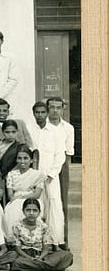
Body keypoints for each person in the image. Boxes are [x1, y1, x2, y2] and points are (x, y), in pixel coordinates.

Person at [29, 101, 67, 247]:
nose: (40, 115)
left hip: (51, 175)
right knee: (36, 204)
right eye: (37, 112)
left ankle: (55, 241)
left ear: (47, 113)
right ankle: (36, 241)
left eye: (42, 112)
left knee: (54, 205)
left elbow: (60, 156)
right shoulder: (29, 129)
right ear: (33, 113)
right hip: (34, 175)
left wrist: (51, 174)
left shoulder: (55, 132)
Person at [5, 199, 73, 271]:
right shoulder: (17, 226)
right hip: (23, 255)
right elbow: (17, 248)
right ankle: (47, 266)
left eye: (35, 210)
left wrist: (40, 258)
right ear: (23, 211)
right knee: (16, 260)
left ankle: (34, 266)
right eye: (28, 210)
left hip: (41, 255)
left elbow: (46, 249)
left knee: (67, 255)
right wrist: (30, 258)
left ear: (39, 212)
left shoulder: (43, 226)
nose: (31, 213)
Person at [46, 96, 74, 245]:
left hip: (61, 166)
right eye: (52, 107)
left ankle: (63, 240)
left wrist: (62, 172)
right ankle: (46, 241)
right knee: (46, 202)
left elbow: (68, 153)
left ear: (63, 108)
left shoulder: (68, 128)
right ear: (47, 108)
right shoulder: (43, 126)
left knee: (62, 203)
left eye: (58, 107)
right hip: (45, 163)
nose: (55, 110)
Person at [2, 145, 44, 234]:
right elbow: (10, 195)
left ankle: (32, 238)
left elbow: (37, 194)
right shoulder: (11, 174)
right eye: (19, 158)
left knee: (30, 208)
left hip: (32, 200)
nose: (22, 161)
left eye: (25, 158)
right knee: (13, 209)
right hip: (15, 199)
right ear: (16, 160)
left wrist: (22, 197)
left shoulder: (37, 175)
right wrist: (15, 199)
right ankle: (13, 238)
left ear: (31, 160)